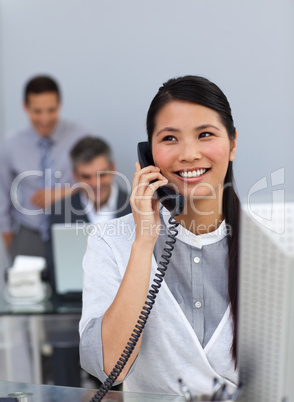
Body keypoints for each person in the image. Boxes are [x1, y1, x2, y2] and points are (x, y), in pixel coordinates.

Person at [79, 75, 240, 397]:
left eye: (205, 134)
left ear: (233, 144)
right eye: (170, 139)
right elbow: (111, 367)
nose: (189, 154)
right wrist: (144, 241)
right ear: (148, 154)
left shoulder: (273, 245)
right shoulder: (111, 239)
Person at [0, 75, 88, 263]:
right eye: (37, 111)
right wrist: (8, 237)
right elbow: (2, 194)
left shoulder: (81, 137)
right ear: (25, 107)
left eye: (51, 110)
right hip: (29, 232)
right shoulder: (11, 144)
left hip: (71, 228)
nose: (45, 119)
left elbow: (98, 182)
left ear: (60, 105)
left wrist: (61, 193)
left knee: (72, 289)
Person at [47, 135, 131, 291]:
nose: (95, 184)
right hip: (75, 301)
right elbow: (54, 271)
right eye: (86, 176)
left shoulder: (136, 207)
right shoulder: (59, 212)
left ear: (113, 169)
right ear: (75, 175)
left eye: (102, 174)